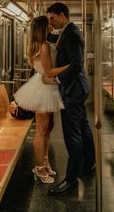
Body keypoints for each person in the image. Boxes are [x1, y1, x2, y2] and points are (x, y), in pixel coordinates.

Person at [43, 2, 95, 195]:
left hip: (73, 90)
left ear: (62, 15)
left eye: (52, 18)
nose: (51, 21)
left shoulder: (71, 33)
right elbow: (59, 41)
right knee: (83, 128)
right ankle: (89, 164)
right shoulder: (68, 31)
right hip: (79, 88)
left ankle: (71, 180)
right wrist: (47, 34)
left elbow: (76, 65)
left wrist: (55, 78)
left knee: (72, 134)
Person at [13, 15, 69, 184]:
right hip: (44, 87)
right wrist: (70, 66)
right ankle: (38, 167)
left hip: (47, 86)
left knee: (48, 127)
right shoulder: (43, 46)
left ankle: (45, 162)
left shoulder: (40, 44)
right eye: (49, 24)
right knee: (42, 130)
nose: (52, 25)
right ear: (44, 28)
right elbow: (50, 72)